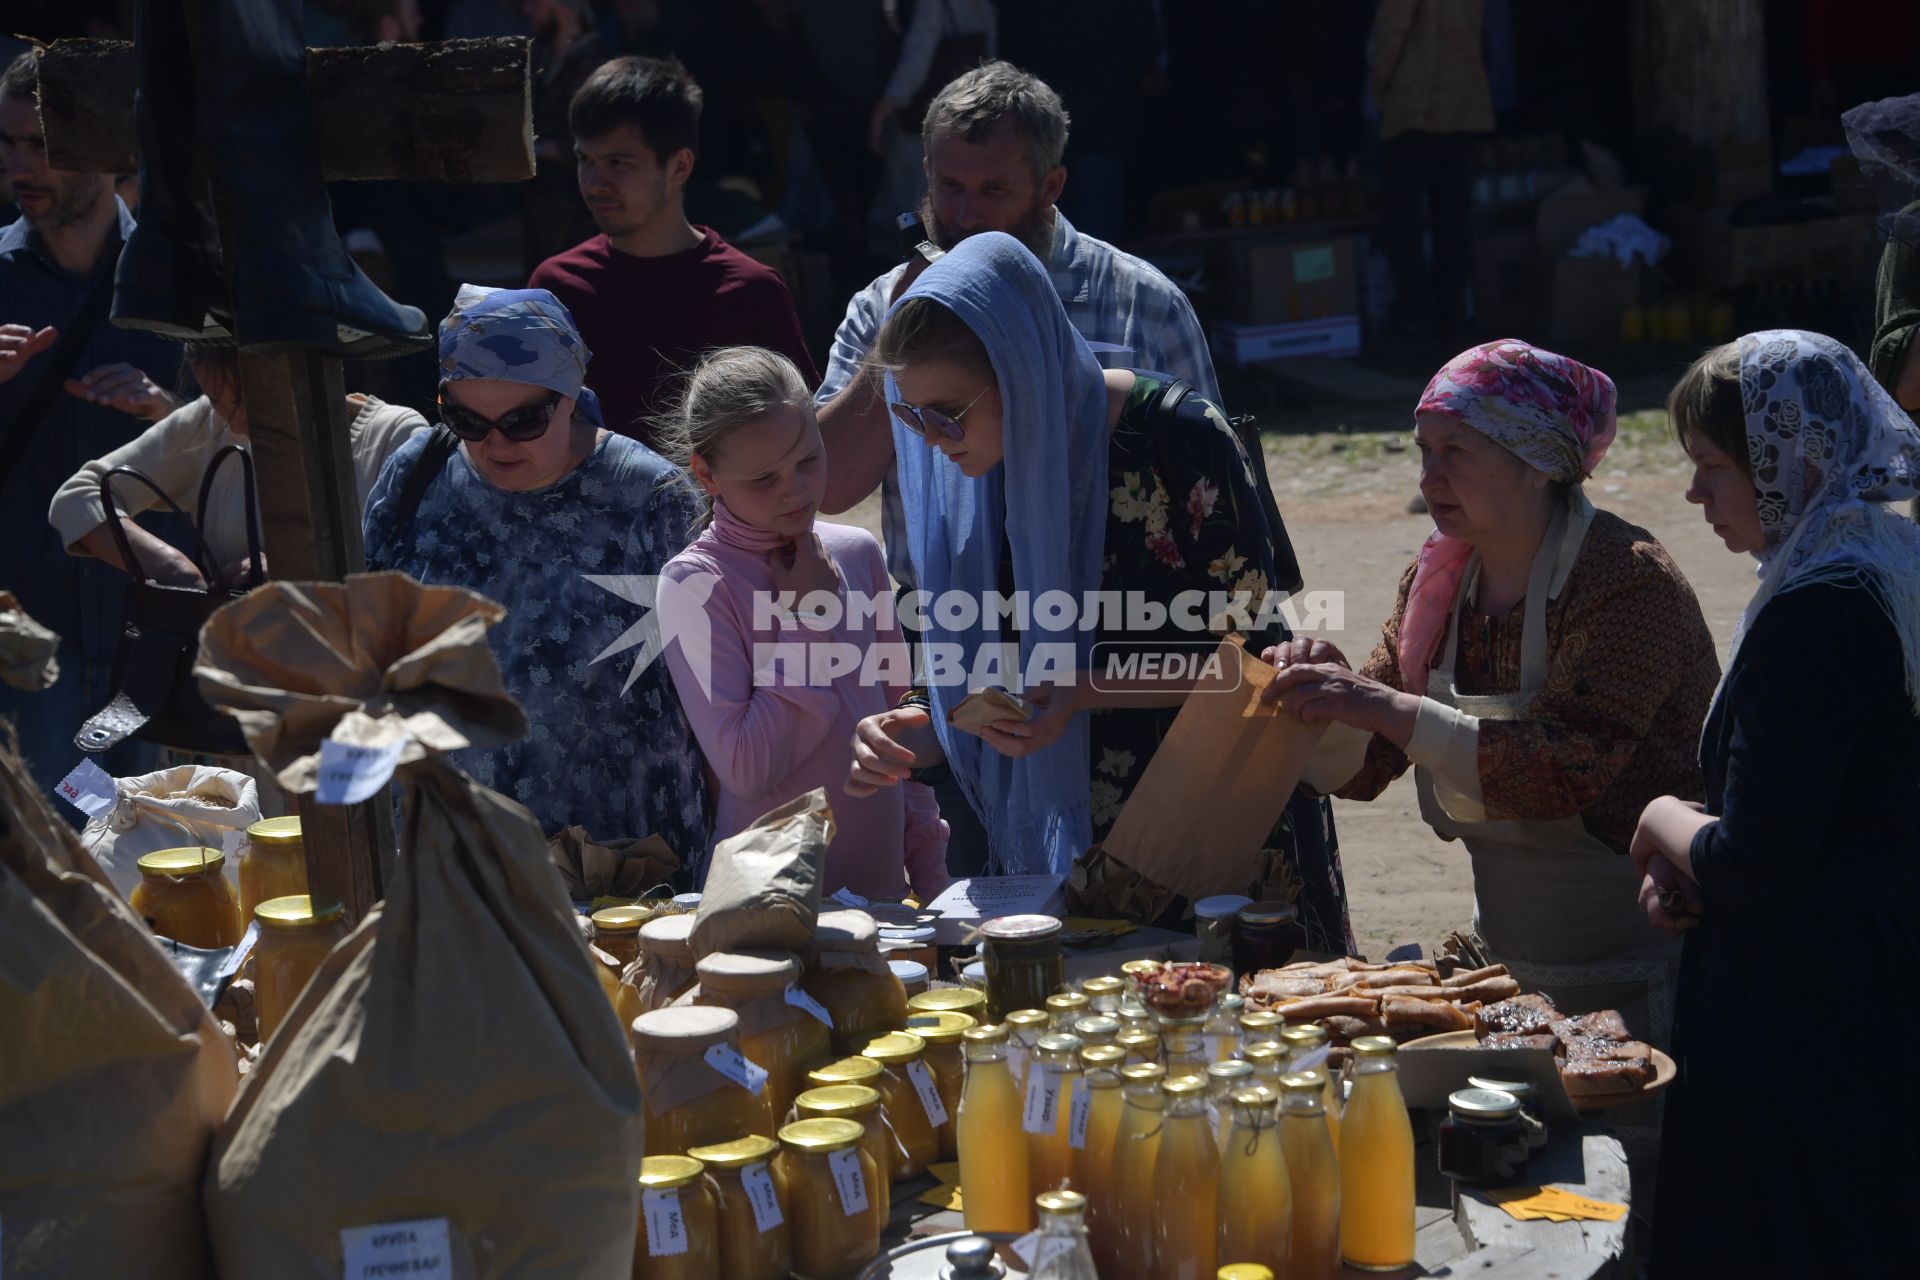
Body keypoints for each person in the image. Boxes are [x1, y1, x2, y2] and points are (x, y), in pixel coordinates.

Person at [843, 233, 1350, 953]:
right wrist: (916, 724)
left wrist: (1081, 691)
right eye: (910, 415)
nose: (931, 440)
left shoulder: (1177, 435)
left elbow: (1259, 661)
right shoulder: (970, 479)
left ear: (1022, 373)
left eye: (948, 412)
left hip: (1214, 820)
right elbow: (965, 650)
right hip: (1070, 867)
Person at [1263, 340, 1718, 1063]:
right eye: (1423, 451)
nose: (1429, 475)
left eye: (1457, 451)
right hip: (1506, 971)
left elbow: (1566, 768)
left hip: (1647, 960)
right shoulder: (1439, 582)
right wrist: (1317, 699)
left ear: (1535, 463)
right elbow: (1366, 765)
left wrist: (1379, 705)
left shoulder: (1627, 581)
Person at [1635, 332, 1920, 1277]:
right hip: (1868, 981)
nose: (1695, 495)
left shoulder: (1822, 609)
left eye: (1712, 467)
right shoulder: (1878, 554)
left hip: (1808, 1026)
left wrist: (1662, 823)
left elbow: (1760, 860)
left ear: (1789, 462)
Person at [362, 284, 708, 859]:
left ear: (570, 397)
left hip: (614, 859)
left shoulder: (650, 499)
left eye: (523, 421)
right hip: (446, 849)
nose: (495, 444)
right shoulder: (418, 473)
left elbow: (723, 687)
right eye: (467, 421)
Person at [654, 346, 948, 899]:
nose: (795, 491)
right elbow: (746, 767)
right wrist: (809, 619)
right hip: (767, 912)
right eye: (763, 478)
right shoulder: (694, 584)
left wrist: (932, 879)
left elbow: (899, 730)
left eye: (809, 460)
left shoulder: (858, 553)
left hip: (884, 905)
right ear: (705, 473)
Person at [0, 51, 184, 791]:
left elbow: (249, 444)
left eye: (40, 145)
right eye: (7, 144)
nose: (19, 166)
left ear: (113, 154)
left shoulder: (183, 276)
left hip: (155, 630)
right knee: (50, 874)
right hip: (28, 636)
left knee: (167, 865)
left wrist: (169, 413)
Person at [528, 56, 818, 444]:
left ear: (679, 166)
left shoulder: (751, 293)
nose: (595, 183)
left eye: (619, 163)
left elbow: (803, 440)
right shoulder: (556, 288)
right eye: (585, 160)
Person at [49, 344, 425, 584]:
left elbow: (416, 577)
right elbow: (78, 497)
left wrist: (291, 569)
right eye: (217, 402)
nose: (235, 424)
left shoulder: (395, 435)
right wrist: (172, 569)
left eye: (248, 402)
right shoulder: (209, 426)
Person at [1368, 0, 1492, 345]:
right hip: (1464, 104)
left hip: (1416, 106)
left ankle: (1413, 316)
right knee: (1453, 218)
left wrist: (1377, 89)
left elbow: (1391, 32)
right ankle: (1452, 317)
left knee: (1401, 219)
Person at [864, 0, 995, 257]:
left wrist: (887, 105)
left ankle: (911, 268)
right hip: (964, 117)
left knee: (910, 204)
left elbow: (919, 51)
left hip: (922, 116)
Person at [521, 0, 611, 276]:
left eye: (534, 4)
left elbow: (601, 141)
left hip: (579, 215)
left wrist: (541, 149)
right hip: (541, 213)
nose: (528, 11)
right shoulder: (542, 57)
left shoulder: (595, 63)